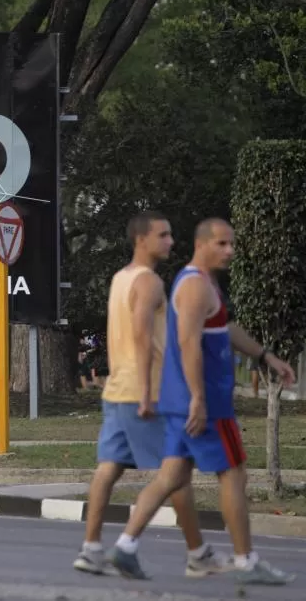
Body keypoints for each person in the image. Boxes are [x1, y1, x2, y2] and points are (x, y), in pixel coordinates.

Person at [106, 218, 296, 585]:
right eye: (222, 244)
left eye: (232, 244)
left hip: (186, 401)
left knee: (171, 476)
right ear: (203, 244)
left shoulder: (204, 283)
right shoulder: (194, 285)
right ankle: (246, 560)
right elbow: (188, 343)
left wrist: (265, 356)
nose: (230, 251)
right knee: (234, 473)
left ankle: (125, 546)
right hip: (205, 402)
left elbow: (225, 328)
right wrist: (198, 398)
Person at [73, 212, 231, 578]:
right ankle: (197, 553)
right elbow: (143, 335)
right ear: (141, 240)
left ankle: (92, 549)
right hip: (145, 391)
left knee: (109, 468)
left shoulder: (120, 278)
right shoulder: (150, 283)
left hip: (117, 388)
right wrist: (147, 393)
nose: (171, 242)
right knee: (175, 474)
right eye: (163, 235)